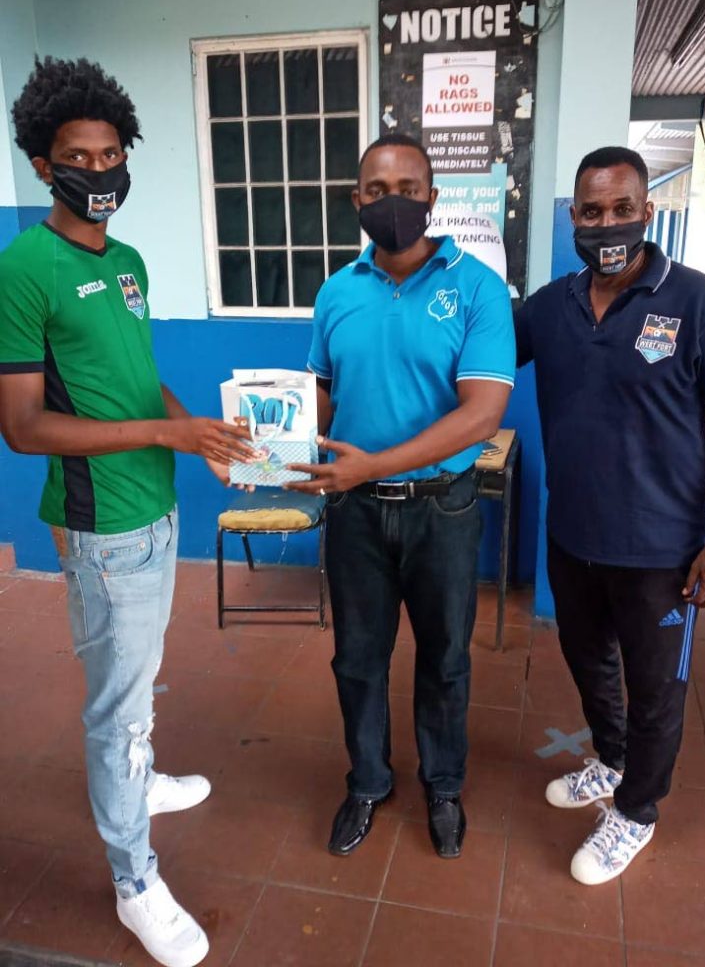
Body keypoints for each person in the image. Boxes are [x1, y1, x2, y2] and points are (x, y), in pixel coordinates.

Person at [0, 57, 252, 967]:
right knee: (116, 707)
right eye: (78, 155)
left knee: (136, 683)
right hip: (102, 523)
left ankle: (137, 785)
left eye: (112, 154)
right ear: (42, 164)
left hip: (156, 506)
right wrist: (165, 434)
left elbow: (139, 384)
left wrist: (200, 434)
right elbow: (24, 427)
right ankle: (134, 879)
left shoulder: (131, 261)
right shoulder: (25, 268)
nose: (99, 172)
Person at [515, 145, 705, 885]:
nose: (607, 223)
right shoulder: (551, 308)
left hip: (662, 551)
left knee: (657, 690)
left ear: (648, 212)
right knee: (589, 664)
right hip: (575, 539)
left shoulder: (697, 302)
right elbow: (474, 356)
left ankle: (638, 812)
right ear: (574, 217)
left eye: (623, 209)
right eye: (592, 211)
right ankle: (612, 760)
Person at [286, 134, 516, 859]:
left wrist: (371, 463)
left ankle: (443, 786)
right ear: (357, 202)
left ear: (433, 199)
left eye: (410, 188)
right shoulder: (335, 291)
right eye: (378, 190)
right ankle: (369, 781)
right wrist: (268, 445)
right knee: (357, 659)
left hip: (442, 510)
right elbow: (321, 397)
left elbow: (480, 415)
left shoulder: (476, 287)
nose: (395, 203)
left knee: (445, 658)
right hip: (353, 515)